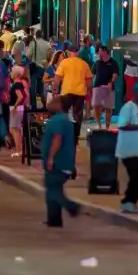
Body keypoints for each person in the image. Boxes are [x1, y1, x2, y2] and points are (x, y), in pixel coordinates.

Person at [41, 95, 82, 227]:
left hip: (58, 162)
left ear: (60, 105)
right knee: (52, 190)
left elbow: (57, 140)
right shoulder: (65, 120)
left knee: (52, 189)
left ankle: (72, 206)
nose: (50, 103)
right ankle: (54, 219)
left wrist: (51, 158)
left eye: (54, 101)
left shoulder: (58, 120)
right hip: (64, 162)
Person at [113, 82, 138, 214]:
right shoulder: (128, 107)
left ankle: (129, 202)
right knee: (137, 177)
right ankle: (128, 202)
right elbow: (122, 125)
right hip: (129, 150)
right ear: (135, 94)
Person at [55, 46, 93, 133]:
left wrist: (55, 89)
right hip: (80, 93)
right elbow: (89, 81)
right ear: (78, 52)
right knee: (78, 114)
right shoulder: (84, 64)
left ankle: (64, 132)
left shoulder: (64, 62)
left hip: (66, 92)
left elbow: (57, 78)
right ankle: (76, 134)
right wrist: (89, 91)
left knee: (64, 112)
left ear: (69, 52)